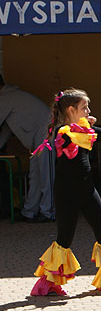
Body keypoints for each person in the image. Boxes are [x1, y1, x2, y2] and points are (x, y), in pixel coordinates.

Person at [31, 88, 101, 296]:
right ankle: (48, 283)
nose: (88, 110)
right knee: (64, 239)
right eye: (84, 107)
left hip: (86, 189)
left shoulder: (83, 129)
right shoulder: (64, 132)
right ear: (71, 109)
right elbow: (81, 135)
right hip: (68, 192)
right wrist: (90, 126)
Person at [0, 74, 55, 222]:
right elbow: (6, 129)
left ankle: (48, 212)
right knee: (35, 175)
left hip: (45, 132)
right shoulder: (12, 97)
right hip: (39, 135)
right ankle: (30, 212)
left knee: (45, 174)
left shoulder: (6, 98)